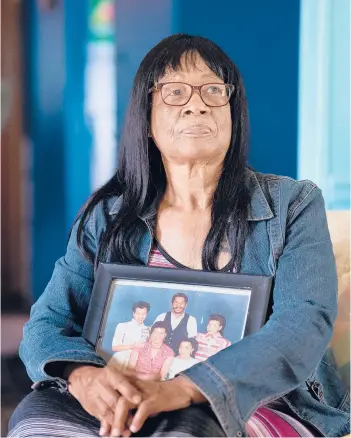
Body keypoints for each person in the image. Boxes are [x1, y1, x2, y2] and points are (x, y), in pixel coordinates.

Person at [8, 34, 349, 438]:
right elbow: (47, 323)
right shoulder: (109, 215)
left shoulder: (293, 203)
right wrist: (82, 376)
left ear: (231, 111)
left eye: (212, 90)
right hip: (129, 394)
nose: (196, 103)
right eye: (174, 92)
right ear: (147, 119)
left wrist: (185, 388)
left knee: (184, 431)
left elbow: (303, 324)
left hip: (259, 404)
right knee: (36, 420)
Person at [108, 301, 150, 371]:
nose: (141, 317)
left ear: (146, 314)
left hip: (139, 361)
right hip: (121, 359)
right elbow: (114, 347)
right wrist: (133, 346)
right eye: (138, 313)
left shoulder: (149, 329)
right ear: (133, 313)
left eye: (144, 314)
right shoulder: (122, 326)